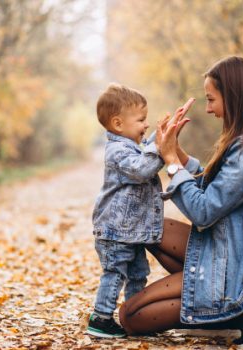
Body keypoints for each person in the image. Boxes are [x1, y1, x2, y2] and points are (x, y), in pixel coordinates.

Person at [119, 56, 243, 349]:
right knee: (147, 225)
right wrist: (175, 151)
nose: (208, 108)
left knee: (130, 317)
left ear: (233, 96)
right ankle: (222, 317)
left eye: (211, 99)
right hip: (232, 254)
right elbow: (214, 189)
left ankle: (237, 313)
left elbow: (203, 211)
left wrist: (172, 162)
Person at [86, 83, 165, 338]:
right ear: (118, 124)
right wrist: (160, 147)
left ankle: (135, 318)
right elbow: (143, 169)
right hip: (114, 231)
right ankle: (101, 318)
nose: (146, 125)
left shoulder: (132, 146)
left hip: (129, 232)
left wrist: (162, 136)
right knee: (115, 273)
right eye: (141, 120)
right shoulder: (117, 151)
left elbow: (145, 155)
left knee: (138, 273)